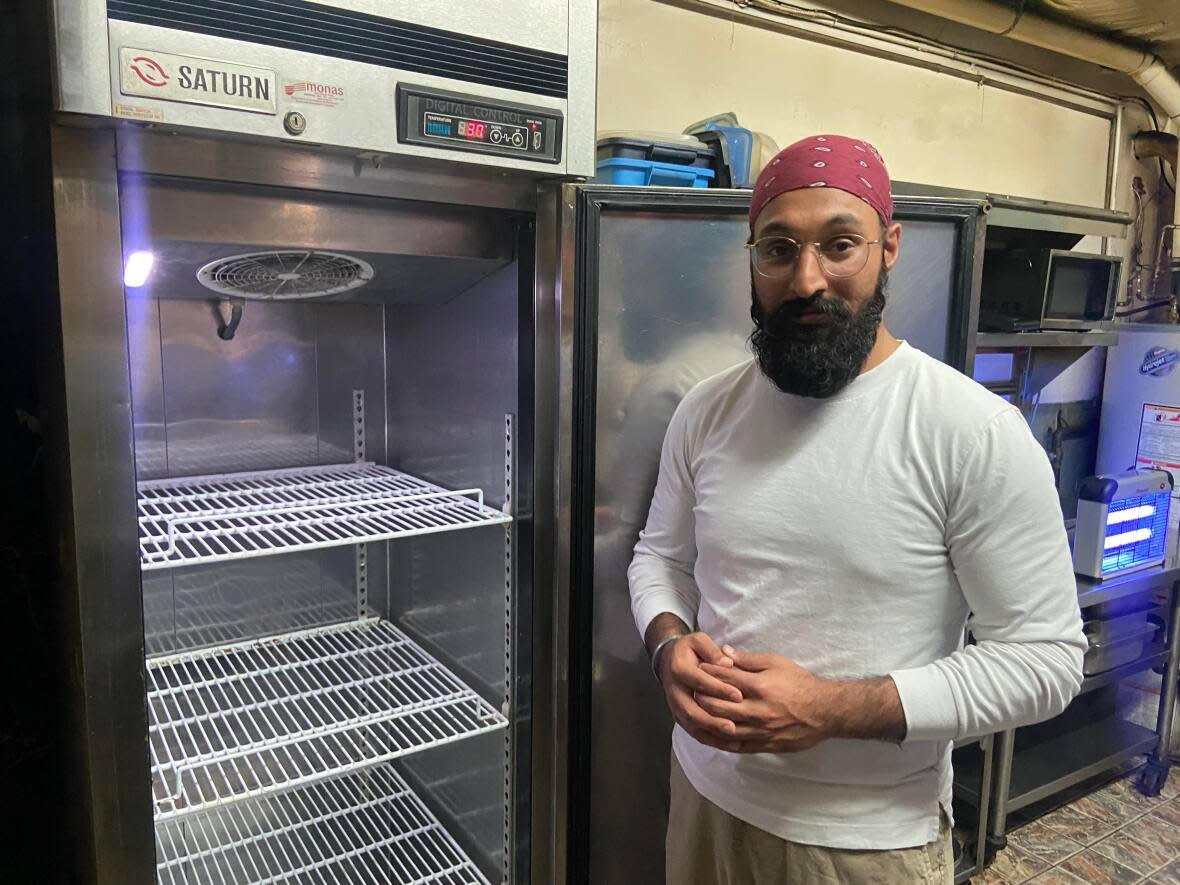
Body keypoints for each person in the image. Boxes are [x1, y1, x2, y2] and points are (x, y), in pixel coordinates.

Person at [628, 134, 1086, 884]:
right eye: (778, 250)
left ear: (889, 247)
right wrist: (668, 643)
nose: (807, 279)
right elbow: (660, 557)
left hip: (864, 846)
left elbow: (1046, 660)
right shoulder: (707, 409)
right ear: (752, 258)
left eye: (840, 244)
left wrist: (832, 707)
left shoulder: (970, 431)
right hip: (705, 802)